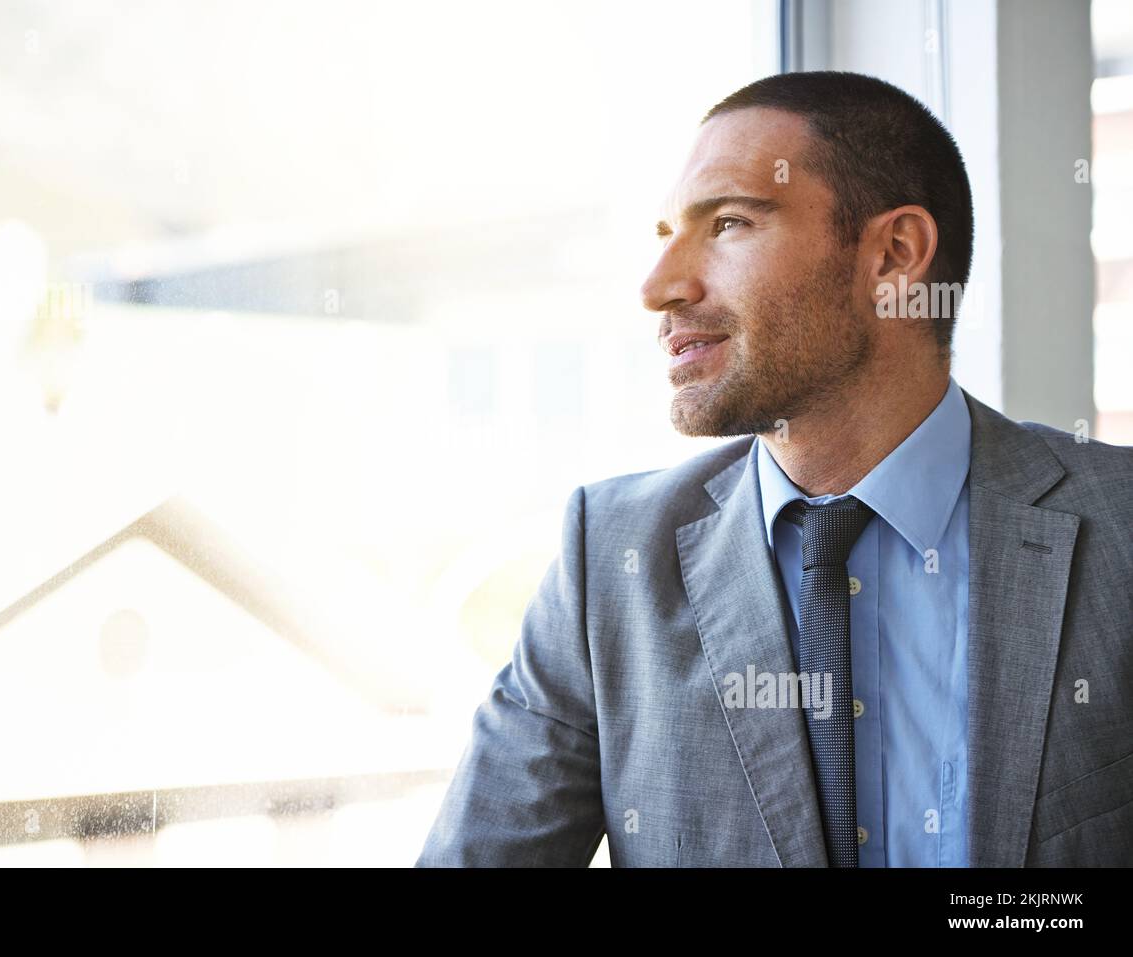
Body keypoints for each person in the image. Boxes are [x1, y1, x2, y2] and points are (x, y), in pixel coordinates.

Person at [415, 70, 1133, 867]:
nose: (660, 288)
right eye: (666, 237)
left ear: (894, 255)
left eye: (727, 224)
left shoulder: (1121, 526)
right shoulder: (607, 565)